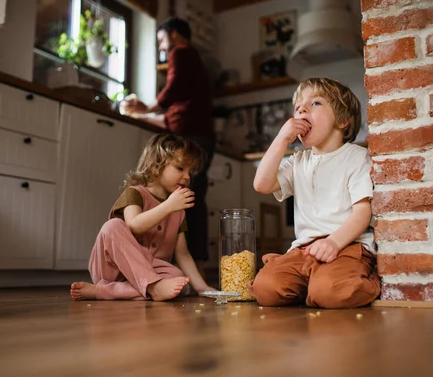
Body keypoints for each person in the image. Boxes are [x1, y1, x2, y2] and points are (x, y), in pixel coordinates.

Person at [249, 78, 380, 308]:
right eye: (298, 105)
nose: (301, 109)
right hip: (304, 250)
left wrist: (333, 242)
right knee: (265, 289)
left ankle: (366, 278)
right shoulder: (298, 160)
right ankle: (311, 283)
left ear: (342, 121)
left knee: (330, 294)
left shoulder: (356, 157)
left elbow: (362, 212)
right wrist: (281, 139)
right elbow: (261, 184)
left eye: (316, 103)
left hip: (347, 245)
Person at [70, 134, 215, 301]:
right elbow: (134, 225)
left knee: (178, 277)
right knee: (113, 226)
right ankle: (149, 287)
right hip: (114, 270)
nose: (187, 177)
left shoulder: (178, 210)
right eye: (180, 168)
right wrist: (168, 206)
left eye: (191, 172)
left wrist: (201, 287)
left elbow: (182, 254)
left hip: (152, 270)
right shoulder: (135, 193)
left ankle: (105, 291)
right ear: (155, 165)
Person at [122, 17, 214, 267]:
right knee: (192, 197)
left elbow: (172, 88)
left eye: (161, 40)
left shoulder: (181, 52)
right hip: (201, 135)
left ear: (174, 35)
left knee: (186, 197)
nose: (161, 48)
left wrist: (146, 108)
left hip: (192, 136)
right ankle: (193, 261)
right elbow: (178, 110)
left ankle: (183, 259)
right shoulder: (194, 64)